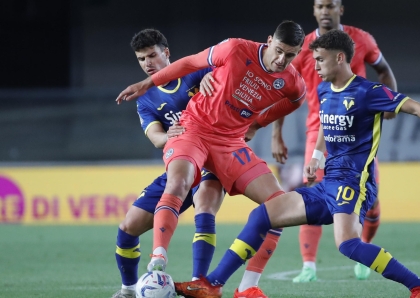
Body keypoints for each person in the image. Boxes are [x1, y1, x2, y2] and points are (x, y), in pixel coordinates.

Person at [176, 29, 420, 298]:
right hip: (328, 181)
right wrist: (316, 158)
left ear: (339, 58)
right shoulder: (324, 91)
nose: (314, 66)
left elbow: (415, 107)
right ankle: (213, 285)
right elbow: (323, 129)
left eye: (319, 59)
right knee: (262, 216)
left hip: (353, 183)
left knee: (348, 245)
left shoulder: (368, 92)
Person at [116, 21, 307, 298]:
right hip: (193, 128)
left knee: (280, 208)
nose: (281, 60)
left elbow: (295, 100)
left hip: (229, 143)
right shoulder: (235, 48)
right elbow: (191, 62)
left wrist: (258, 124)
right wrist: (147, 83)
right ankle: (158, 258)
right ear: (269, 40)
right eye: (279, 51)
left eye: (290, 55)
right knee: (178, 183)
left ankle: (245, 287)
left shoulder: (291, 81)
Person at [271, 0, 397, 282]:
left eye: (330, 5)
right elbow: (285, 89)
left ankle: (362, 251)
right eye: (319, 6)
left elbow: (384, 70)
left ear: (341, 9)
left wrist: (387, 102)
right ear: (314, 11)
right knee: (312, 193)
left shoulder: (361, 39)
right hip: (319, 131)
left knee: (370, 202)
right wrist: (276, 132)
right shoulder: (303, 47)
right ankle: (308, 266)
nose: (325, 11)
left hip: (356, 134)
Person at [112, 29, 225, 298]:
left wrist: (217, 75)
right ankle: (128, 290)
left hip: (212, 162)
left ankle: (199, 283)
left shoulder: (195, 70)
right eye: (141, 59)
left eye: (152, 55)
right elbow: (154, 137)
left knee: (205, 211)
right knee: (128, 228)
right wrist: (167, 135)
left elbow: (226, 65)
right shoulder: (146, 98)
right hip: (179, 166)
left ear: (166, 52)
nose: (147, 63)